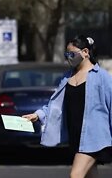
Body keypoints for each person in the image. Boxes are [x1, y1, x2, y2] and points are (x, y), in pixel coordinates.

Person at [23, 35, 112, 178]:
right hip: (75, 136)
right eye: (66, 54)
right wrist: (38, 115)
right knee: (90, 175)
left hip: (94, 137)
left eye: (72, 54)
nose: (68, 57)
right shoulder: (67, 77)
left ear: (85, 52)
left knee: (75, 175)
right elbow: (56, 105)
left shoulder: (102, 77)